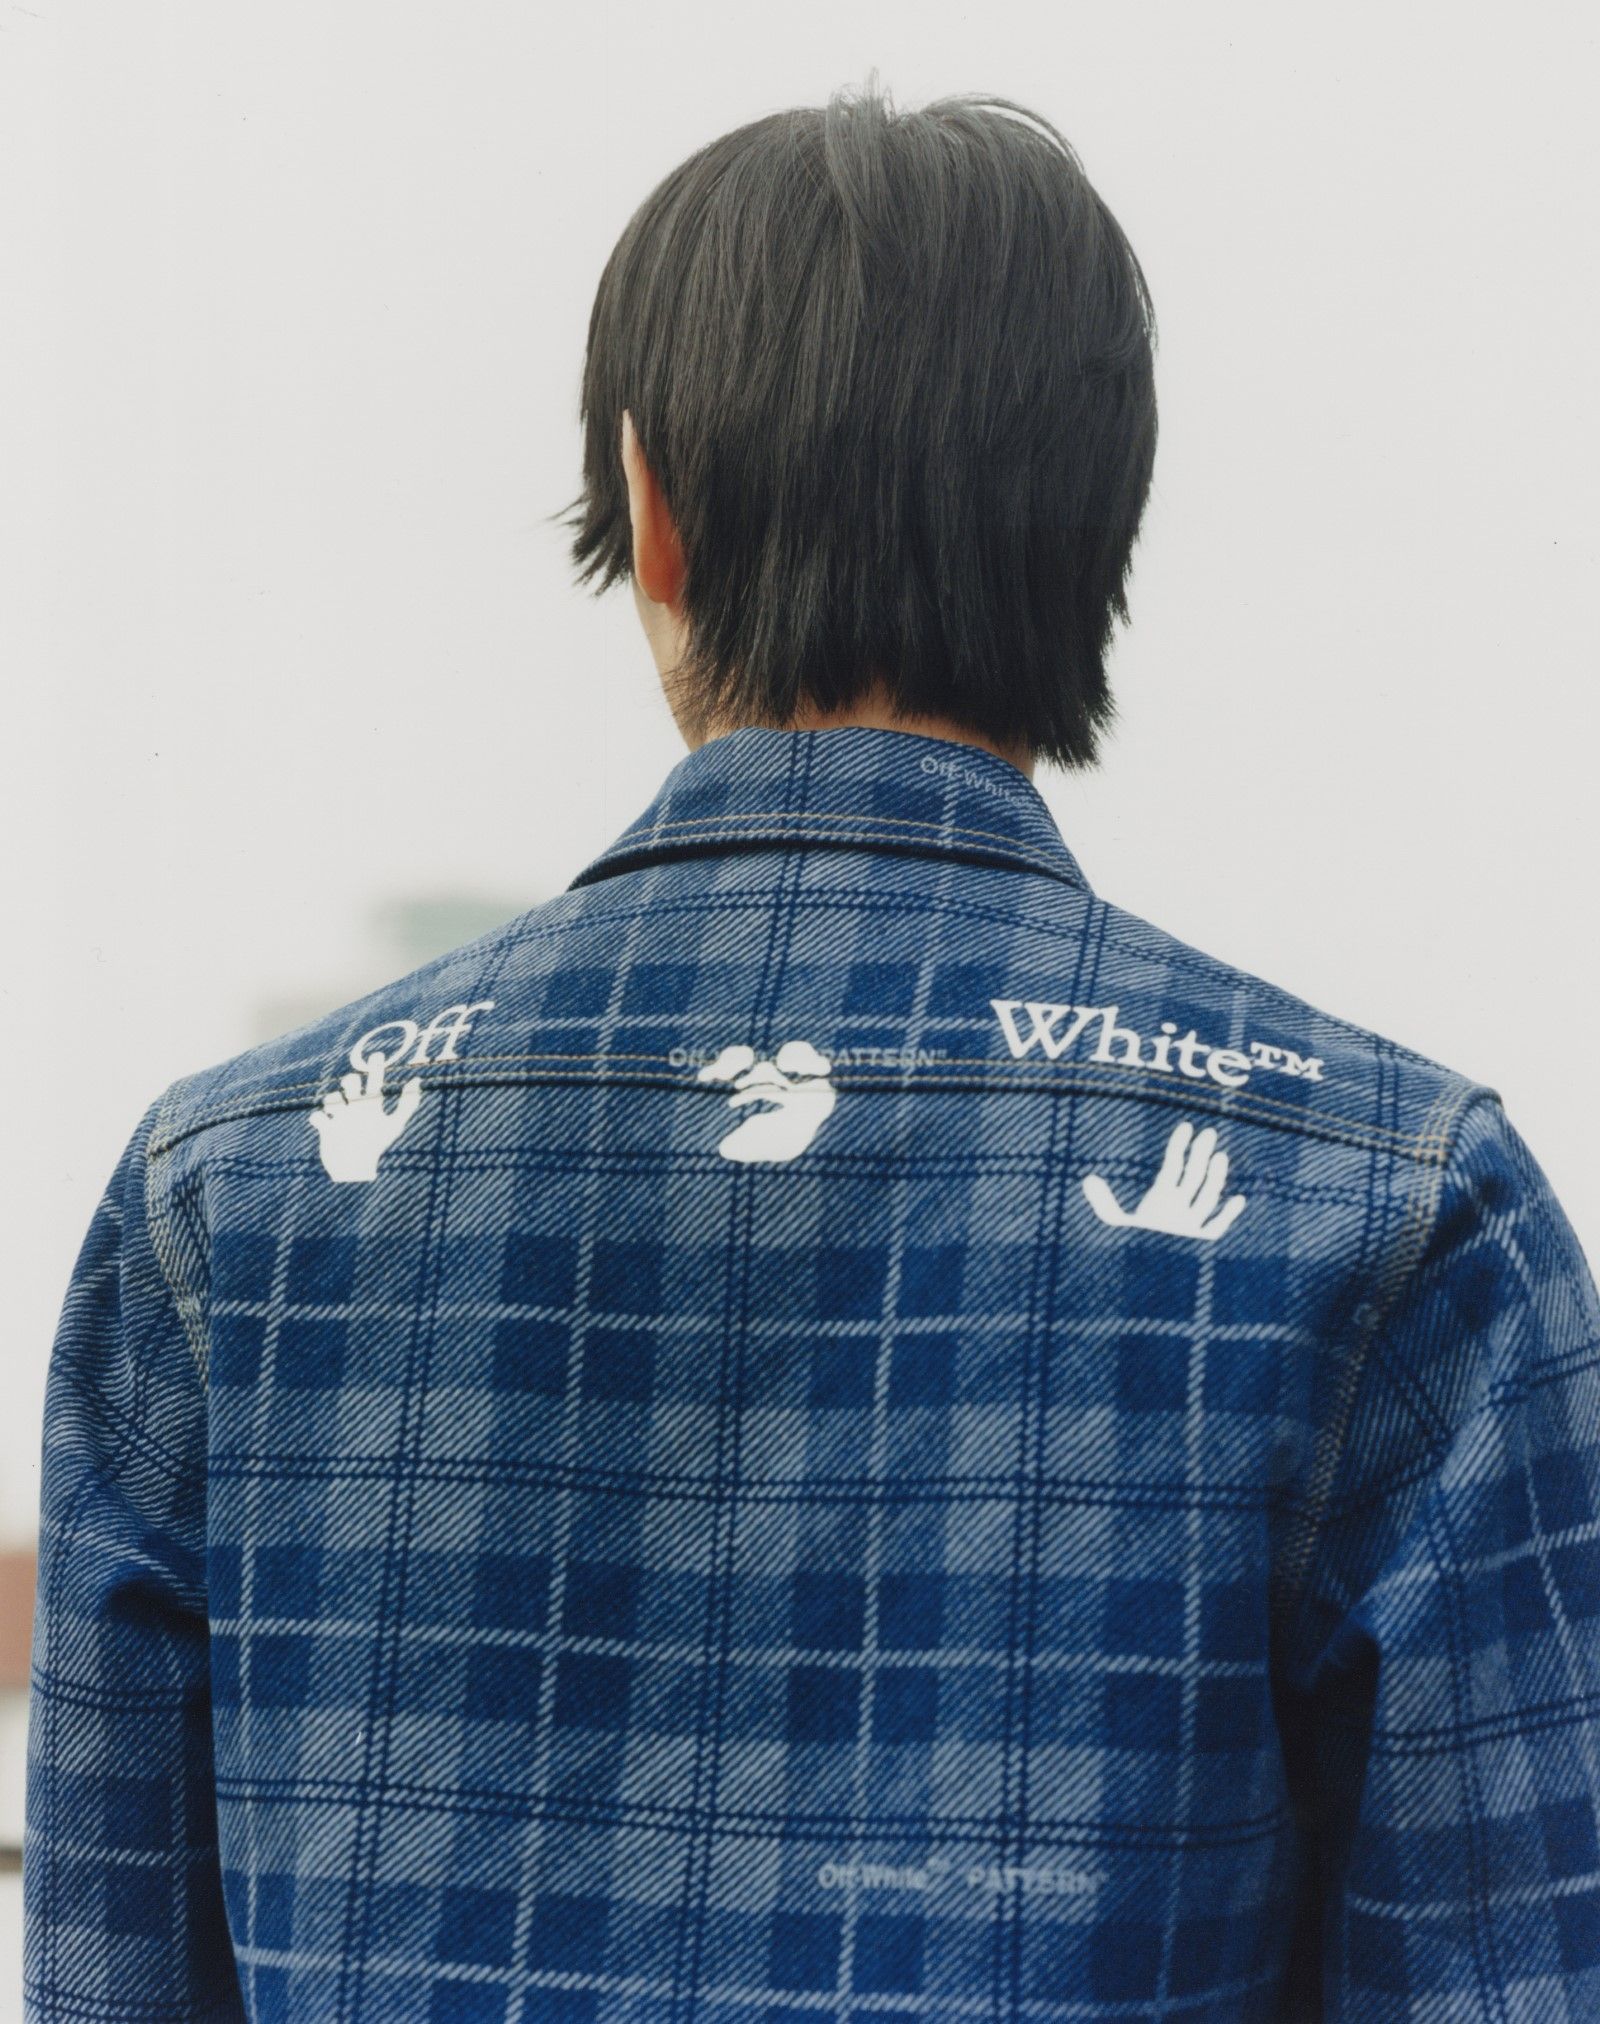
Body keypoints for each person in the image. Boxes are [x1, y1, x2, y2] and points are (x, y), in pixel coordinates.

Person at [23, 77, 1600, 2024]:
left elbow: (110, 1969)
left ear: (650, 513)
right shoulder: (1401, 1211)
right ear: (1095, 527)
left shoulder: (225, 1197)